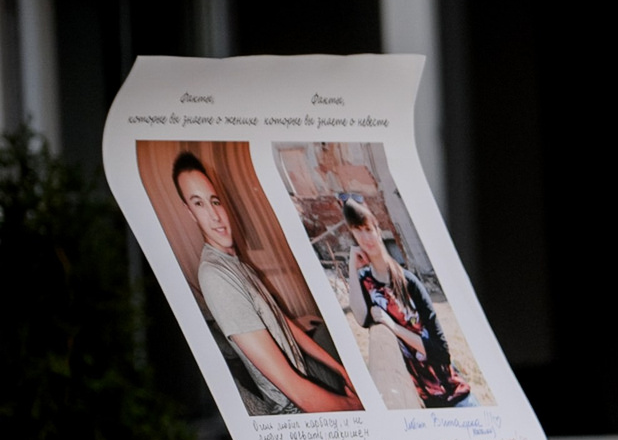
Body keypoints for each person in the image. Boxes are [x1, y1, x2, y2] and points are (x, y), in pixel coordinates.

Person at [174, 151, 358, 415]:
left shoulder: (238, 266)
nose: (214, 216)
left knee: (336, 335)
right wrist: (357, 406)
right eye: (199, 204)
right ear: (189, 212)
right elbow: (297, 393)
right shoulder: (215, 276)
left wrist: (341, 370)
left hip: (306, 378)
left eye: (215, 201)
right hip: (297, 412)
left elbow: (286, 324)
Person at [341, 197, 472, 407]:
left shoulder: (409, 282)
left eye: (368, 229)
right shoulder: (365, 281)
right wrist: (351, 268)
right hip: (426, 400)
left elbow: (441, 352)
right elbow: (362, 318)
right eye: (358, 230)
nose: (365, 237)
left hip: (455, 394)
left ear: (377, 228)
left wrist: (394, 327)